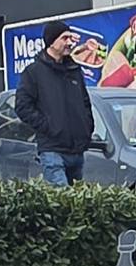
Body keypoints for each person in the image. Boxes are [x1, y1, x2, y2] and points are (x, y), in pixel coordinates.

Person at [15, 20, 94, 187]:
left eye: (70, 38)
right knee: (62, 199)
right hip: (52, 149)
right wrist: (49, 127)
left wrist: (87, 128)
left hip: (77, 150)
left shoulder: (74, 70)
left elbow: (85, 103)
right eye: (64, 38)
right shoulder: (34, 72)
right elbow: (23, 107)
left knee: (77, 204)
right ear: (51, 42)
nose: (69, 43)